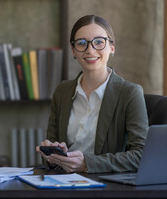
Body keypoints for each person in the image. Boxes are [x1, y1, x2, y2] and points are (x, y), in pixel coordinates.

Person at [36, 15, 149, 173]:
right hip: (63, 181)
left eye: (99, 42)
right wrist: (55, 154)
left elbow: (142, 155)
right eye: (81, 43)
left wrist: (87, 164)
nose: (90, 50)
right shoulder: (62, 91)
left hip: (106, 186)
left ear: (112, 47)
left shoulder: (129, 93)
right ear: (74, 50)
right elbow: (52, 150)